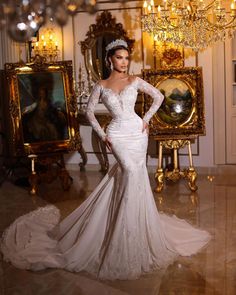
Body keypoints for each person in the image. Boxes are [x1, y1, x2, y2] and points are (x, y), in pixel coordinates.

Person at [0, 39, 211, 281]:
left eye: (126, 57)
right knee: (129, 174)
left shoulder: (134, 80)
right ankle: (120, 235)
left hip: (136, 132)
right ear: (110, 59)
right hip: (117, 135)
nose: (124, 61)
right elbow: (89, 112)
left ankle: (137, 230)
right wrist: (103, 135)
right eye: (120, 57)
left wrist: (146, 119)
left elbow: (158, 97)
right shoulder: (101, 84)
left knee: (135, 177)